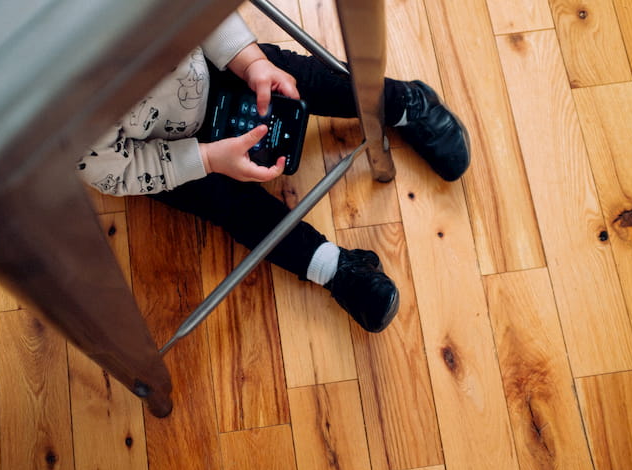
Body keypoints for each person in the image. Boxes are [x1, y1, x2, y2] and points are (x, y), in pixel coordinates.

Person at [77, 13, 470, 333]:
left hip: (217, 68)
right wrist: (209, 158)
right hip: (167, 152)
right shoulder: (50, 129)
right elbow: (120, 170)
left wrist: (251, 61)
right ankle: (335, 269)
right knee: (231, 206)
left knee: (302, 82)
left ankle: (404, 102)